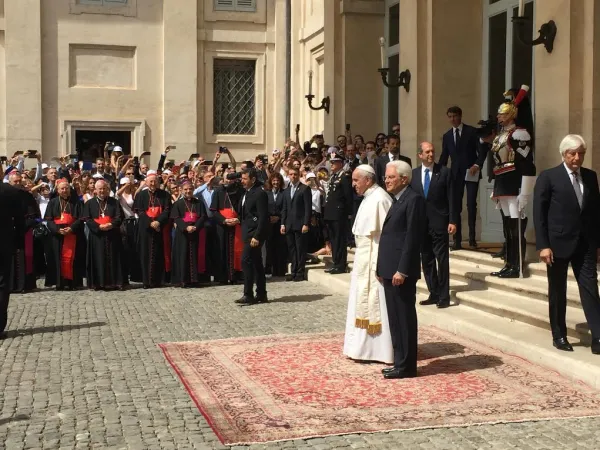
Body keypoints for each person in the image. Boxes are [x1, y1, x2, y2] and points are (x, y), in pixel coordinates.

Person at [533, 134, 600, 354]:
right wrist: (543, 245)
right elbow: (539, 214)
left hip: (585, 244)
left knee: (590, 288)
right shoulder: (549, 177)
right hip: (557, 244)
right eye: (573, 153)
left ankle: (598, 336)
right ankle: (559, 334)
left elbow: (595, 213)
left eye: (581, 153)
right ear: (564, 154)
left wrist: (597, 243)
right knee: (558, 290)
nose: (577, 158)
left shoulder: (590, 177)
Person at [376, 160, 425, 379]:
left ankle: (407, 365)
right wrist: (381, 267)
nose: (386, 180)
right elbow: (389, 236)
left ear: (403, 179)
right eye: (386, 177)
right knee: (394, 318)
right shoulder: (397, 199)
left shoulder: (413, 199)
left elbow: (412, 238)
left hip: (401, 272)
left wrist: (402, 270)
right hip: (389, 269)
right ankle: (399, 361)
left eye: (390, 177)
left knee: (404, 318)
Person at [343, 165, 394, 364]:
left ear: (368, 180)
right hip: (363, 261)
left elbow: (386, 237)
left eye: (356, 180)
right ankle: (361, 348)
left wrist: (380, 265)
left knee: (377, 304)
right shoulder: (367, 198)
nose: (353, 184)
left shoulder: (381, 199)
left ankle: (379, 351)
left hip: (375, 261)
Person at [489, 86, 536, 278]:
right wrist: (496, 189)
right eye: (499, 114)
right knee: (508, 227)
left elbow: (527, 165)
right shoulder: (501, 135)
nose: (499, 117)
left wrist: (525, 192)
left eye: (502, 114)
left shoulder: (519, 134)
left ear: (511, 114)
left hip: (515, 183)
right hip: (503, 183)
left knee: (517, 227)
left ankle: (518, 266)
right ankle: (509, 262)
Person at [411, 142, 456, 309]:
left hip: (440, 223)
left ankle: (444, 296)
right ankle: (433, 292)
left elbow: (452, 198)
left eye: (432, 151)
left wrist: (452, 220)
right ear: (420, 155)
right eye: (427, 152)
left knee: (442, 259)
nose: (431, 154)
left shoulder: (444, 172)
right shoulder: (414, 175)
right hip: (421, 224)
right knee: (427, 259)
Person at [439, 106, 487, 249]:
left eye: (455, 116)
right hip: (455, 175)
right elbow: (444, 156)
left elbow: (482, 151)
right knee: (455, 206)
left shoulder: (472, 132)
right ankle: (457, 240)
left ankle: (472, 238)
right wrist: (438, 171)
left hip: (471, 172)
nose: (452, 119)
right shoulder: (447, 136)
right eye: (450, 117)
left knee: (471, 205)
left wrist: (477, 165)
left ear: (460, 116)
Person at [235, 168, 269, 305]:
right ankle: (261, 293)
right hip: (247, 231)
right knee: (257, 263)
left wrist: (257, 236)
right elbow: (245, 213)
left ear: (253, 179)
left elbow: (263, 217)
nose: (242, 181)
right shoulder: (246, 193)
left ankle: (248, 293)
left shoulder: (259, 193)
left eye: (245, 179)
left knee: (246, 260)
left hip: (254, 234)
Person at [44, 179, 85, 290]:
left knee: (73, 259)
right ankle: (59, 282)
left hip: (72, 234)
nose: (64, 190)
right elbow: (49, 220)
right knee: (57, 259)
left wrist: (71, 228)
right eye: (62, 188)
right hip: (57, 236)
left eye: (66, 188)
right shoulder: (52, 202)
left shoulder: (76, 202)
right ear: (57, 190)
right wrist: (57, 230)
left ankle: (72, 283)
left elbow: (81, 219)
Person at [83, 180, 124, 290]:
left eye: (104, 188)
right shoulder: (89, 203)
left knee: (114, 258)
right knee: (97, 258)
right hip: (97, 236)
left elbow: (120, 217)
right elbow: (87, 218)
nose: (102, 191)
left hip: (112, 234)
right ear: (95, 190)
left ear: (108, 190)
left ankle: (115, 282)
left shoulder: (114, 202)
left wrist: (111, 224)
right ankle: (98, 283)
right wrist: (98, 227)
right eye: (100, 189)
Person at [134, 173, 172, 288]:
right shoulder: (141, 195)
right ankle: (146, 281)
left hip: (159, 228)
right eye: (150, 181)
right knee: (145, 254)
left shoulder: (165, 195)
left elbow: (167, 210)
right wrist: (150, 222)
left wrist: (158, 222)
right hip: (145, 229)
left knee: (159, 254)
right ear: (146, 182)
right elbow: (139, 211)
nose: (153, 183)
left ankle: (158, 281)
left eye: (155, 181)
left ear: (158, 182)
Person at [170, 181, 208, 287]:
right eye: (186, 189)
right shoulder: (178, 203)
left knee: (194, 255)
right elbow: (176, 218)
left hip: (195, 231)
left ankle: (194, 279)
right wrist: (186, 227)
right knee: (182, 255)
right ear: (181, 190)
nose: (188, 191)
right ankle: (183, 280)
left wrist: (195, 226)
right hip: (182, 233)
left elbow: (203, 217)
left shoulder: (199, 203)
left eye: (190, 189)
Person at [8, 172, 41, 293]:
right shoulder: (4, 195)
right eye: (15, 182)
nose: (17, 184)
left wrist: (22, 226)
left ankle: (26, 284)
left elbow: (34, 216)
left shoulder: (27, 196)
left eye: (19, 181)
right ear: (10, 182)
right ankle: (10, 285)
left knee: (25, 257)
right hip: (8, 232)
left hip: (24, 231)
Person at [0, 182, 25, 337]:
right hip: (5, 242)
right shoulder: (11, 191)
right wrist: (18, 242)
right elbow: (20, 220)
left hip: (5, 242)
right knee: (2, 283)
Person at [323, 150, 354, 274]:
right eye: (331, 162)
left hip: (339, 213)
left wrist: (348, 213)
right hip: (331, 213)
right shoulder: (333, 176)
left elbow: (348, 196)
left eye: (334, 162)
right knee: (334, 239)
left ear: (341, 163)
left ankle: (341, 264)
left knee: (339, 239)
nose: (332, 164)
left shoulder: (345, 176)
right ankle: (336, 262)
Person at [281, 167, 312, 282]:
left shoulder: (304, 189)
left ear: (298, 175)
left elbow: (308, 208)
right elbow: (284, 209)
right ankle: (293, 271)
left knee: (300, 249)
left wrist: (306, 223)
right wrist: (282, 224)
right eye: (291, 174)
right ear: (288, 175)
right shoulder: (286, 191)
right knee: (292, 249)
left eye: (295, 174)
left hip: (300, 224)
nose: (293, 176)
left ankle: (300, 272)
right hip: (289, 224)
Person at [211, 177, 244, 284]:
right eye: (227, 178)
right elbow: (214, 210)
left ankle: (236, 276)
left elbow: (244, 208)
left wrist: (238, 219)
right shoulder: (218, 191)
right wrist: (224, 220)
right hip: (222, 226)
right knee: (222, 250)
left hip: (236, 225)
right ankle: (223, 277)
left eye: (231, 179)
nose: (229, 181)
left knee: (237, 250)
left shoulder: (239, 191)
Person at [265, 172, 287, 277]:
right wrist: (269, 217)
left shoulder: (284, 193)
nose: (275, 182)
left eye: (277, 180)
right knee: (270, 247)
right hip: (269, 223)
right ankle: (271, 269)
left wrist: (279, 218)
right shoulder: (266, 193)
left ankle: (281, 270)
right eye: (274, 180)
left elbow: (285, 208)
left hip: (280, 223)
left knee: (281, 247)